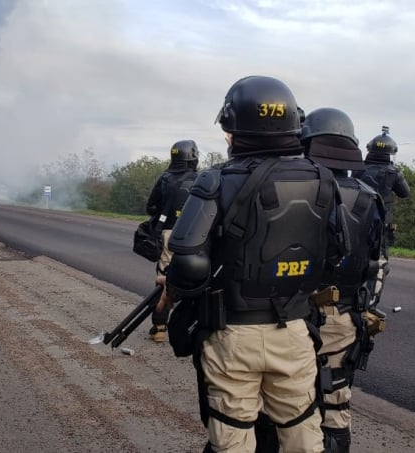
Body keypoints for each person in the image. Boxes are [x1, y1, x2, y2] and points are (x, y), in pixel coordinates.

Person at [157, 76, 348, 452]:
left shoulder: (215, 180)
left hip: (233, 335)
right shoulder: (323, 179)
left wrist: (174, 295)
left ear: (234, 129)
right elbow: (337, 255)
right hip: (295, 331)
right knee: (302, 435)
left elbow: (188, 263)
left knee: (233, 438)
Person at [301, 107, 385, 452]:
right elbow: (377, 265)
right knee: (336, 409)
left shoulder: (298, 188)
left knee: (287, 411)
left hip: (292, 317)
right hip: (345, 316)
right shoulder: (371, 197)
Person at [144, 140, 199, 342]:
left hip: (168, 234)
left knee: (164, 279)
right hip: (195, 235)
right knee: (196, 278)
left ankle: (159, 327)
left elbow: (151, 207)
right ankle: (194, 326)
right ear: (193, 156)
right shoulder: (201, 179)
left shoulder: (165, 179)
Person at [356, 127, 410, 305]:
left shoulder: (359, 168)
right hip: (380, 225)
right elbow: (405, 193)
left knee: (355, 258)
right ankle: (370, 303)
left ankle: (352, 299)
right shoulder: (393, 172)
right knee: (379, 263)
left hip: (356, 220)